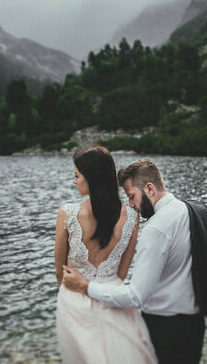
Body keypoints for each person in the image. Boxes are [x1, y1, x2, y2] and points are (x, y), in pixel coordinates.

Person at [63, 158, 205, 363]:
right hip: (194, 324)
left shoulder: (156, 229)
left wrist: (85, 287)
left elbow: (136, 296)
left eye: (132, 196)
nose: (130, 205)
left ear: (149, 188)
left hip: (165, 328)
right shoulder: (186, 210)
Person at [54, 147, 156, 364]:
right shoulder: (131, 216)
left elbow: (60, 272)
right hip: (114, 297)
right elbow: (122, 271)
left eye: (76, 175)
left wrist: (71, 292)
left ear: (90, 178)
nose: (74, 181)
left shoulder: (67, 214)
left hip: (73, 302)